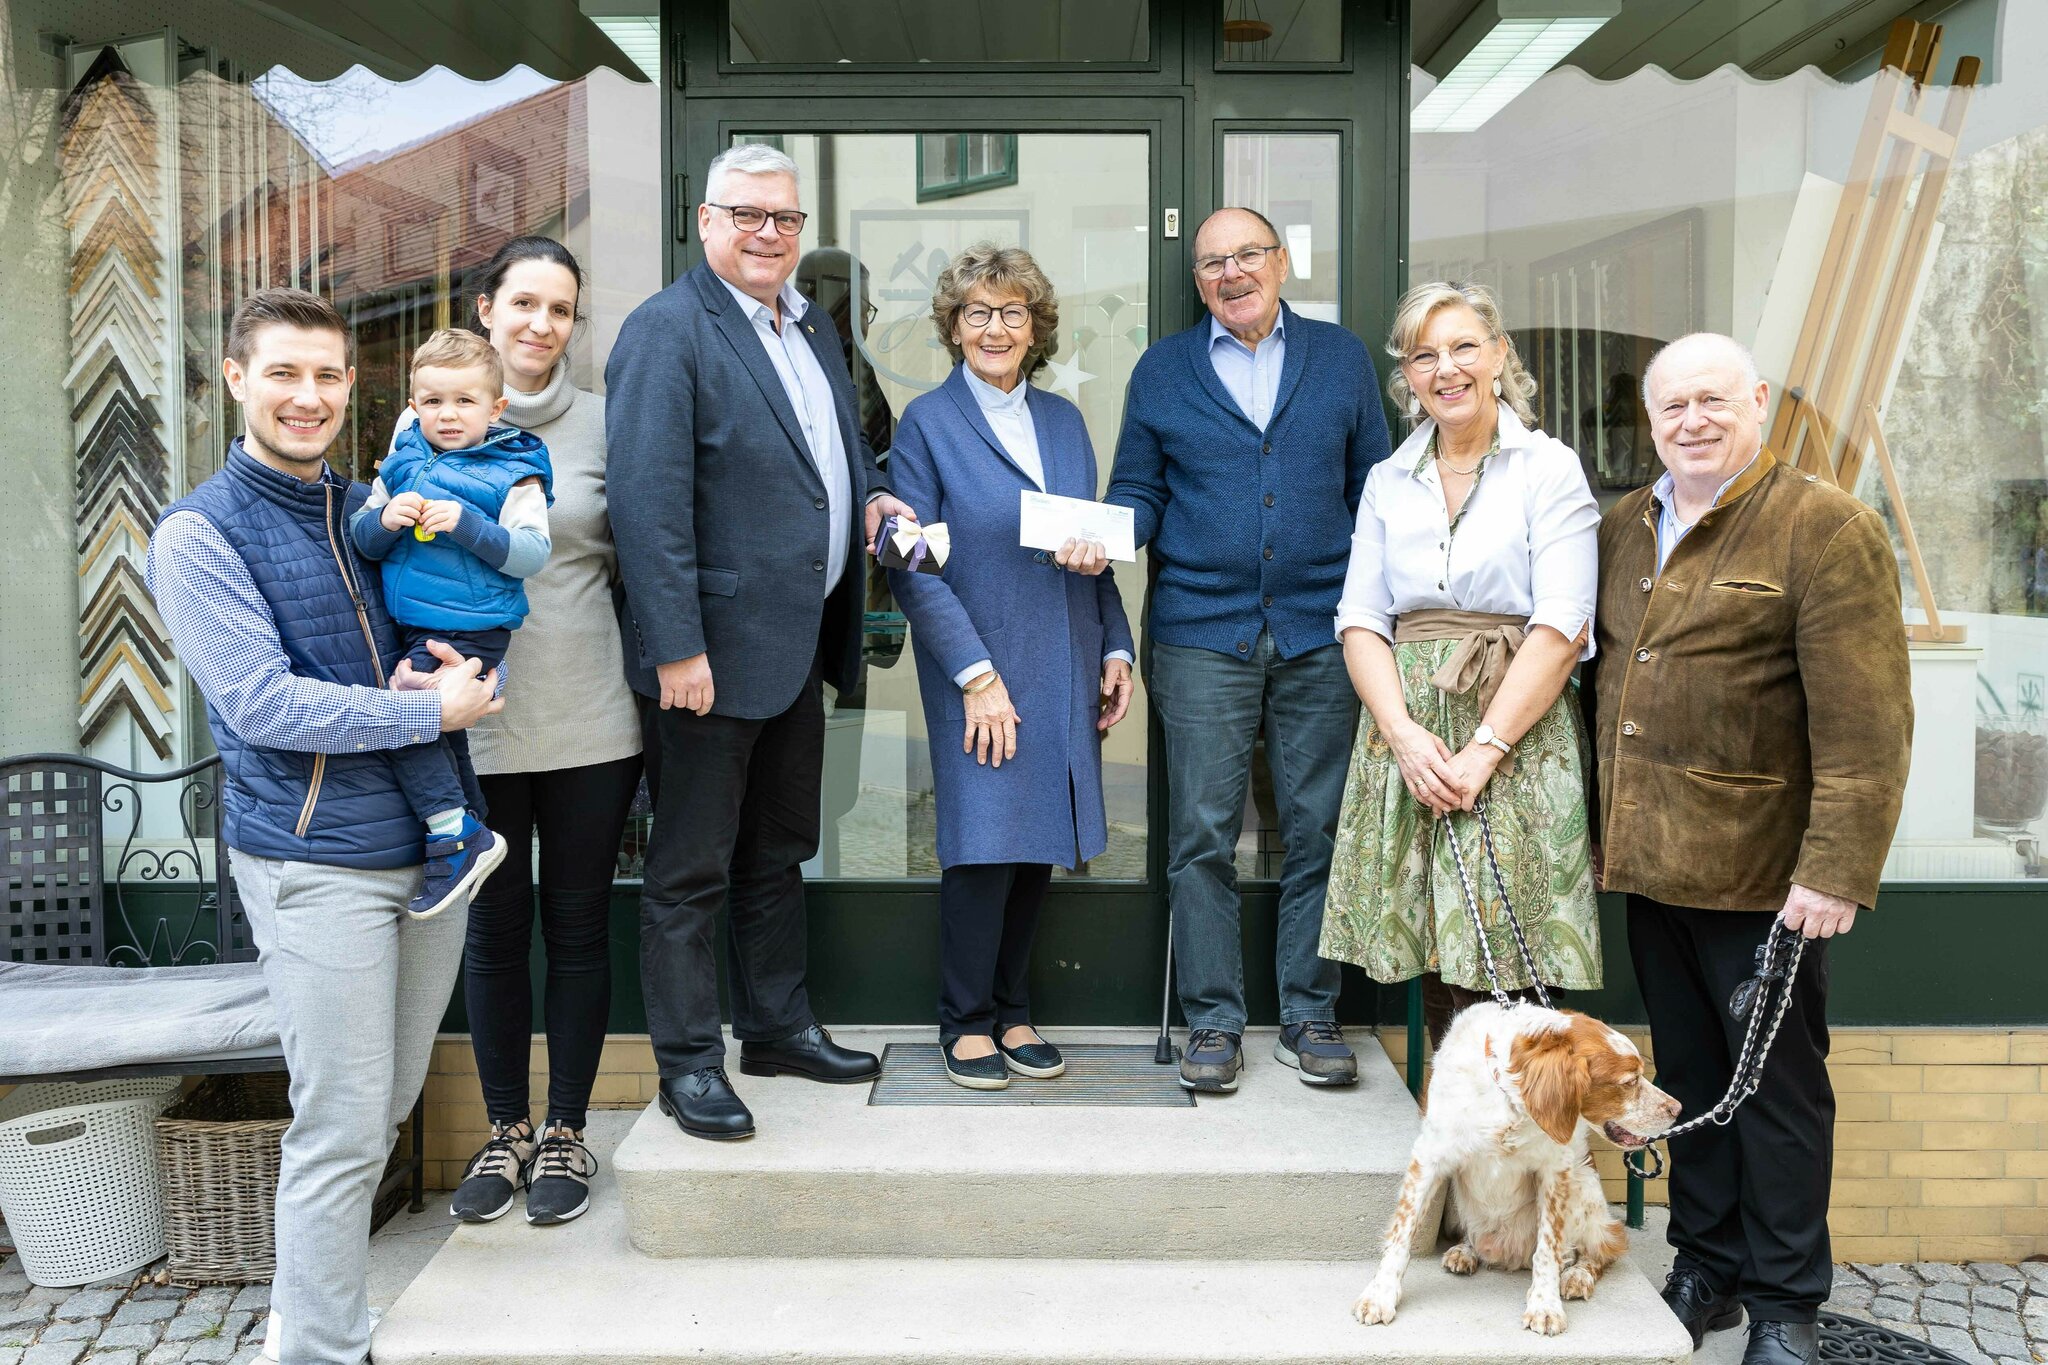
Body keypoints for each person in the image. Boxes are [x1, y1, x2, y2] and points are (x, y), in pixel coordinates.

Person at [146, 288, 503, 1365]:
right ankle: (314, 1349)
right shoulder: (199, 532)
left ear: (353, 388)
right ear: (236, 379)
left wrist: (444, 663)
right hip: (313, 860)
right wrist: (423, 709)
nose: (308, 397)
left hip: (427, 854)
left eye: (328, 376)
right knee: (342, 1124)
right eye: (284, 374)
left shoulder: (368, 505)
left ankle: (316, 1317)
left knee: (384, 1104)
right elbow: (259, 704)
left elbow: (422, 626)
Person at [1593, 333, 1911, 1365]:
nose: (1691, 421)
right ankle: (1704, 1267)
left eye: (1711, 402)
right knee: (1687, 1080)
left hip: (1764, 882)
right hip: (1649, 870)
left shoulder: (1823, 529)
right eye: (1671, 406)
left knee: (1774, 1096)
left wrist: (1831, 869)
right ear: (1649, 423)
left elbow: (1866, 729)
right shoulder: (1619, 530)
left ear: (1759, 404)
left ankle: (1783, 1306)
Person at [606, 143, 916, 1140]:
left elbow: (832, 453)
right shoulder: (667, 332)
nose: (767, 234)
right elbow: (647, 510)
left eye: (784, 219)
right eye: (747, 215)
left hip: (794, 647)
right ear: (705, 221)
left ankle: (776, 1028)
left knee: (778, 850)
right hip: (706, 660)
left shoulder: (810, 324)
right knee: (689, 869)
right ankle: (690, 1064)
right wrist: (673, 649)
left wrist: (874, 497)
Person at [1108, 207, 1392, 1093]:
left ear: (1279, 262)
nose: (1230, 274)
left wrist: (1383, 612)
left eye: (1246, 256)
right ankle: (1213, 1022)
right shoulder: (1161, 371)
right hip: (1199, 631)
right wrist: (1104, 534)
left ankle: (1309, 1011)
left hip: (1321, 629)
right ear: (1197, 282)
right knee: (1199, 834)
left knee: (1320, 826)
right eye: (1211, 264)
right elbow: (1136, 491)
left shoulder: (1341, 358)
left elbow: (1377, 490)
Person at [1319, 281, 1602, 1048]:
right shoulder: (1388, 479)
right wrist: (1404, 736)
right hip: (1413, 733)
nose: (1446, 368)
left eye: (1464, 346)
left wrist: (1485, 750)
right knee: (1440, 956)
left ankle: (1524, 1149)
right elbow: (1360, 620)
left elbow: (1562, 623)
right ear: (1407, 376)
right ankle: (1456, 1140)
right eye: (1424, 355)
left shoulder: (1548, 468)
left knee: (1512, 950)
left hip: (1515, 728)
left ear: (1499, 354)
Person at [882, 243, 1136, 1090]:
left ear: (1037, 328)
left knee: (1036, 844)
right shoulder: (927, 423)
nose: (996, 328)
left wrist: (1114, 644)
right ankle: (965, 1019)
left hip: (1062, 650)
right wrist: (974, 676)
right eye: (978, 313)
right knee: (983, 843)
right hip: (979, 662)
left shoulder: (1064, 422)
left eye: (1013, 313)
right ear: (954, 328)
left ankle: (1014, 1006)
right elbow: (909, 562)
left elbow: (1094, 543)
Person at [440, 238, 641, 1228]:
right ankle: (504, 1131)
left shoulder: (607, 427)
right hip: (473, 721)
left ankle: (566, 1131)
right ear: (487, 309)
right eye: (523, 302)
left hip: (590, 717)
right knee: (493, 932)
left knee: (576, 927)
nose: (539, 324)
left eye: (559, 309)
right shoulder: (432, 424)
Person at [349, 328, 552, 917]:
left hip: (473, 627)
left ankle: (453, 834)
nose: (448, 414)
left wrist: (465, 522)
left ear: (496, 408)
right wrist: (384, 518)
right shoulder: (403, 460)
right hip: (408, 624)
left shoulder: (515, 469)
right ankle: (472, 820)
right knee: (434, 726)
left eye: (465, 402)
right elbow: (363, 541)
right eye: (433, 401)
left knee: (402, 717)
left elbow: (532, 554)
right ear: (414, 406)